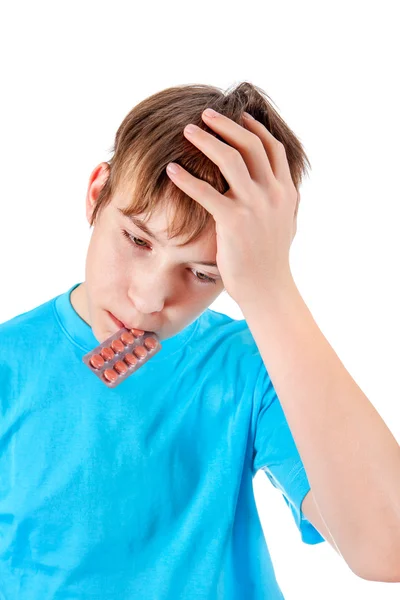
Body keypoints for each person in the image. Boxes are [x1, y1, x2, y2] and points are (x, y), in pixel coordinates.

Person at [1, 81, 399, 599]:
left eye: (203, 273)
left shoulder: (252, 369)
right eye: (138, 239)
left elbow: (387, 547)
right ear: (98, 194)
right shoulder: (10, 367)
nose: (148, 299)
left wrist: (270, 286)